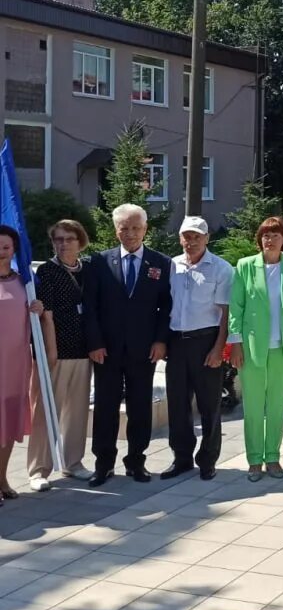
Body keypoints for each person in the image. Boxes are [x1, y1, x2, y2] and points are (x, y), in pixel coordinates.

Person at [85, 204, 172, 487]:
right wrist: (95, 343)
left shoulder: (161, 263)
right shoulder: (98, 262)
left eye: (136, 228)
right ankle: (103, 464)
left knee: (140, 408)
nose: (130, 233)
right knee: (105, 408)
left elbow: (165, 307)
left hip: (144, 350)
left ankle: (136, 461)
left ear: (145, 229)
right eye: (125, 227)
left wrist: (160, 341)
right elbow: (91, 307)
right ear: (116, 229)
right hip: (106, 351)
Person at [228, 217, 283, 482]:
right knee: (253, 406)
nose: (269, 239)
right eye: (264, 235)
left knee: (276, 405)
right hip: (251, 348)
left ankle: (272, 457)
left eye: (274, 235)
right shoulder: (245, 266)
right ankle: (254, 460)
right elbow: (235, 309)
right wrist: (235, 344)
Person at [163, 216, 234, 481]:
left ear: (207, 238)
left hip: (207, 341)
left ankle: (207, 460)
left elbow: (226, 314)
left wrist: (219, 349)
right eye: (186, 236)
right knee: (178, 404)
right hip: (177, 341)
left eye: (196, 236)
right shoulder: (172, 266)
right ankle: (181, 457)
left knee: (209, 404)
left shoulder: (221, 269)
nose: (190, 242)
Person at [27, 220, 93, 490]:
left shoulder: (88, 269)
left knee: (77, 411)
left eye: (69, 238)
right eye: (58, 239)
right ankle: (38, 470)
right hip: (55, 352)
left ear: (80, 241)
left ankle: (72, 463)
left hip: (83, 350)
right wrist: (50, 352)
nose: (63, 243)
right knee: (44, 411)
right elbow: (47, 317)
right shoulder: (47, 271)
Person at [0, 225, 43, 503]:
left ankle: (2, 478)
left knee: (8, 423)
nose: (0, 252)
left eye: (5, 247)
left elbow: (31, 321)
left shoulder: (23, 282)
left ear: (14, 249)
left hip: (15, 366)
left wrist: (36, 308)